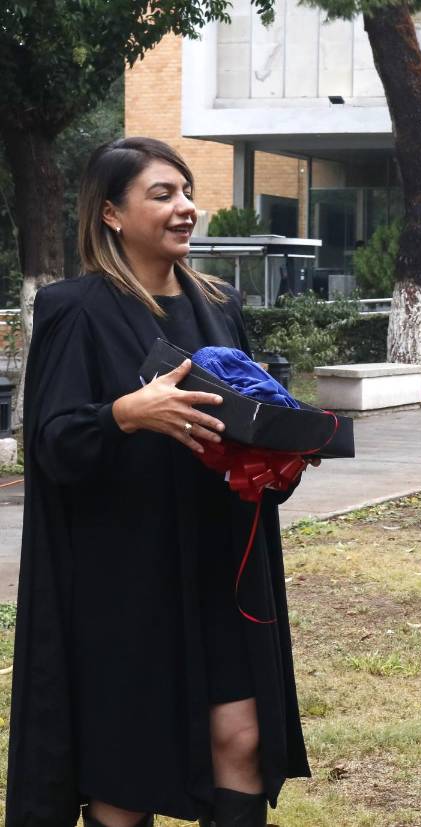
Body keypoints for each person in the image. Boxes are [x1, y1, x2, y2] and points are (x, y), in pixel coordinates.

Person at [6, 138, 310, 826]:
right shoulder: (74, 308)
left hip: (219, 560)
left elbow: (247, 411)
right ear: (111, 213)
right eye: (163, 194)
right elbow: (52, 443)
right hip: (125, 575)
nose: (186, 207)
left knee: (242, 738)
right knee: (126, 777)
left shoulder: (220, 304)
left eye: (187, 192)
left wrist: (283, 447)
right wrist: (125, 413)